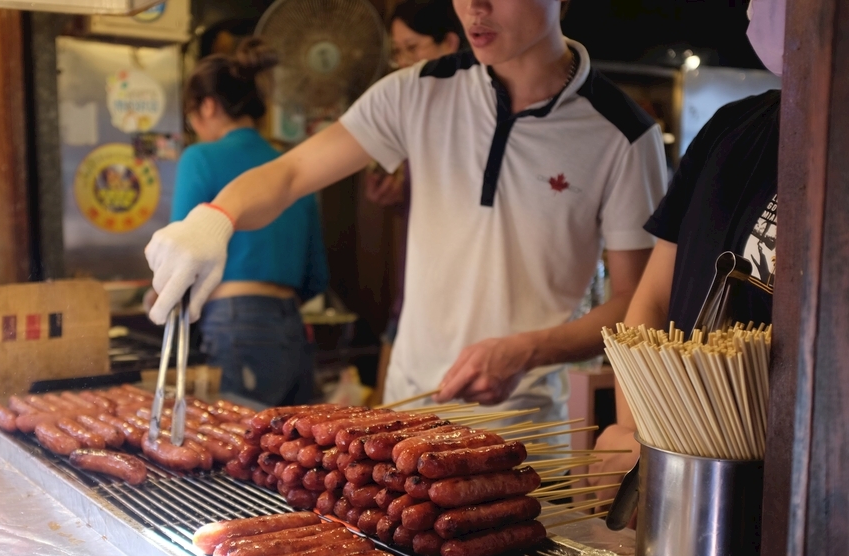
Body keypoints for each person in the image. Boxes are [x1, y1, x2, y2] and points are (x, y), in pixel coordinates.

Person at [145, 0, 667, 430]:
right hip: (407, 417)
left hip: (520, 427)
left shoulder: (623, 133)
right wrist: (214, 219)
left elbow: (634, 305)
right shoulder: (417, 91)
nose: (474, 9)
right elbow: (290, 175)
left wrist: (527, 350)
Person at [586, 0, 783, 510]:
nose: (752, 6)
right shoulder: (730, 127)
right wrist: (635, 439)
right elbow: (653, 299)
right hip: (677, 477)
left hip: (784, 506)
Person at [168, 38, 328, 406]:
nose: (194, 125)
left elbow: (181, 256)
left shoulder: (200, 158)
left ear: (208, 106)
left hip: (235, 323)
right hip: (292, 327)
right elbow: (317, 275)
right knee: (288, 453)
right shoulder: (292, 166)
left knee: (239, 452)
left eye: (192, 115)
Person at [364, 0, 465, 404]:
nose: (404, 60)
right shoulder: (405, 101)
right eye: (398, 50)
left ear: (450, 43)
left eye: (414, 47)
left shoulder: (471, 108)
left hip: (458, 303)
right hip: (413, 291)